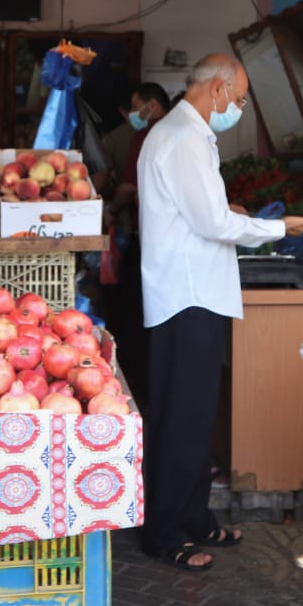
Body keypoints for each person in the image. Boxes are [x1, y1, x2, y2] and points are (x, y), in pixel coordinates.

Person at [137, 54, 303, 571]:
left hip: (195, 295)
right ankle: (165, 532)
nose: (236, 109)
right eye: (237, 100)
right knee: (180, 421)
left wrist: (232, 215)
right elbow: (214, 223)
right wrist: (281, 229)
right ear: (216, 89)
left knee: (194, 418)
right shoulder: (183, 138)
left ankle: (194, 518)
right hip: (187, 298)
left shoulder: (185, 134)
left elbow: (200, 212)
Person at [106, 82, 173, 410]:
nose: (133, 115)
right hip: (173, 248)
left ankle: (139, 390)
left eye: (136, 108)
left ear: (152, 105)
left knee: (137, 319)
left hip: (146, 240)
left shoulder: (146, 137)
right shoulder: (184, 136)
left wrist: (112, 210)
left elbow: (130, 187)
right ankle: (158, 391)